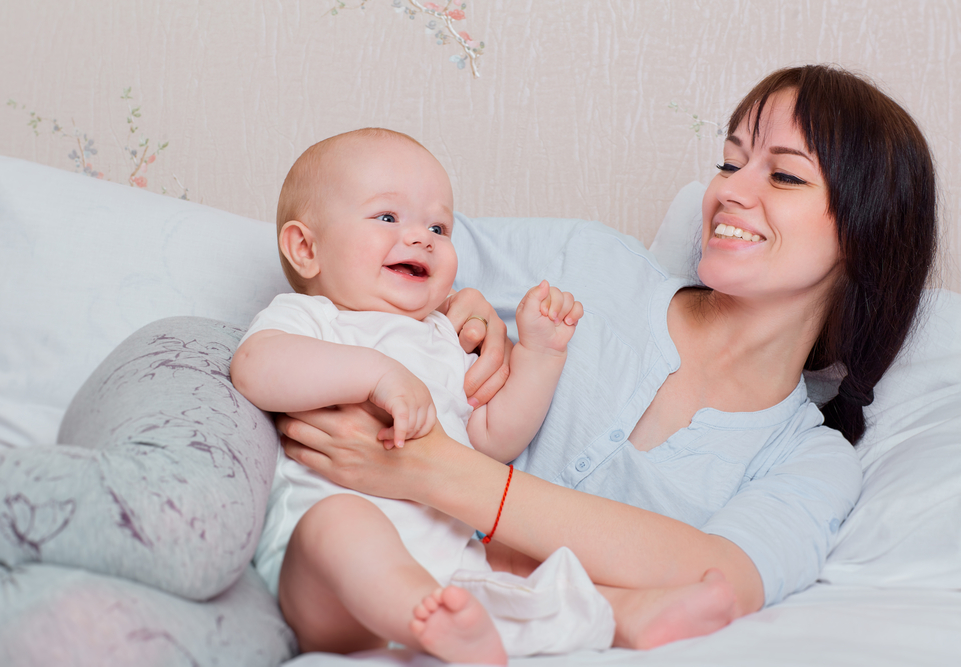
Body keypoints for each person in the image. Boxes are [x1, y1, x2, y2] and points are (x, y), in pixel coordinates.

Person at [275, 64, 939, 649]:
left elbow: (717, 577)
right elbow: (369, 249)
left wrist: (437, 471)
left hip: (475, 609)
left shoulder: (811, 461)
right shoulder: (589, 265)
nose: (730, 191)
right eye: (731, 163)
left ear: (865, 233)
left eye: (785, 174)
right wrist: (459, 303)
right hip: (349, 580)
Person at [229, 128, 620, 665]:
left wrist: (541, 357)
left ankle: (474, 623)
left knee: (540, 565)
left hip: (452, 571)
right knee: (340, 523)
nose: (422, 237)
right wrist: (375, 375)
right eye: (387, 217)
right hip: (324, 583)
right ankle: (425, 619)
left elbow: (491, 441)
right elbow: (254, 368)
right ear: (307, 248)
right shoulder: (313, 319)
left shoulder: (443, 337)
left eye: (439, 225)